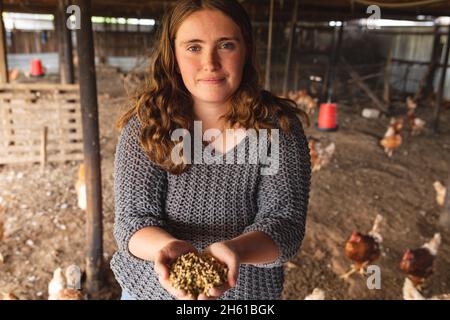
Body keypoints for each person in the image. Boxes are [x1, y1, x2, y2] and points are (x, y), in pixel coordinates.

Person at [111, 0, 311, 300]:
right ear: (173, 55)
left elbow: (285, 224)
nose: (210, 63)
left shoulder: (277, 128)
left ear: (246, 50)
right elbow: (133, 221)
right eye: (193, 47)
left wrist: (234, 251)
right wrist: (166, 250)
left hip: (247, 295)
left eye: (226, 45)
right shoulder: (147, 125)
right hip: (153, 290)